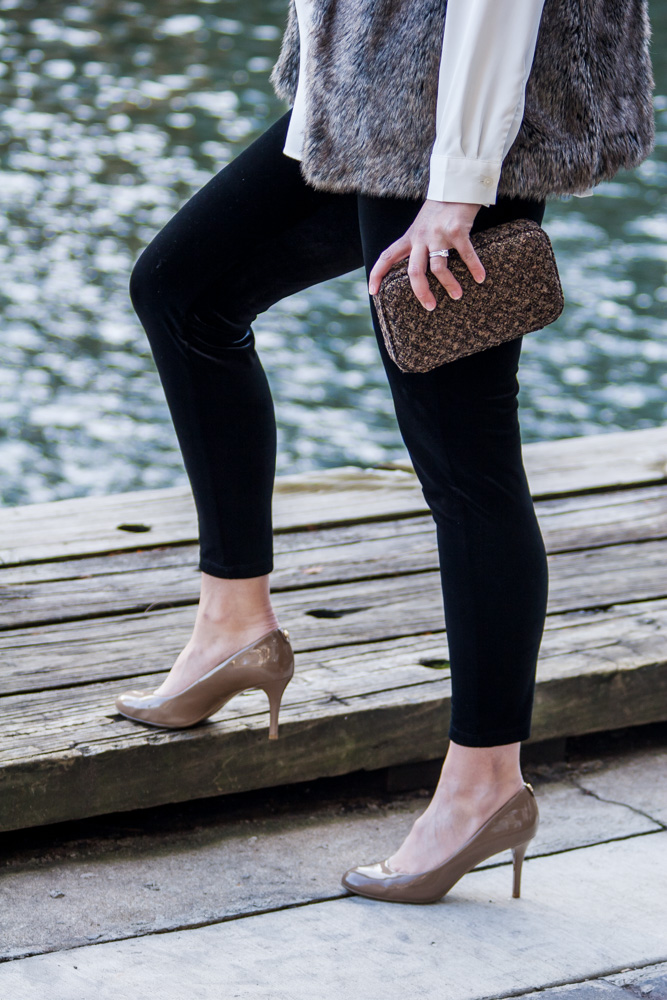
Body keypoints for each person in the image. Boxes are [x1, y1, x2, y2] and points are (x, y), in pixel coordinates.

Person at [115, 0, 655, 904]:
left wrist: (461, 180)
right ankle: (233, 627)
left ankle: (484, 783)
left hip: (450, 116)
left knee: (465, 460)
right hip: (370, 90)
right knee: (182, 291)